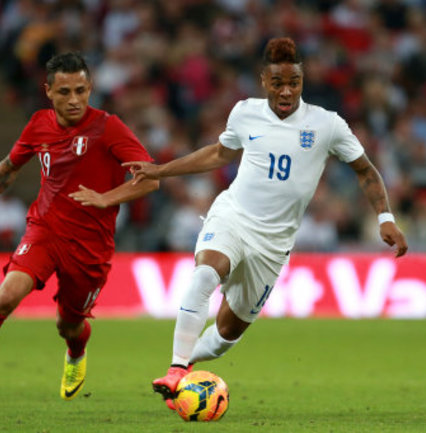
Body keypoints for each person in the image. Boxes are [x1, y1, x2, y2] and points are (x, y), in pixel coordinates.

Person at [123, 37, 408, 409]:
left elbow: (366, 171)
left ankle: (190, 359)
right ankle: (176, 369)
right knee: (206, 273)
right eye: (278, 83)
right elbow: (218, 153)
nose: (286, 91)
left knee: (227, 333)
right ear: (264, 81)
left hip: (273, 245)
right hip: (233, 217)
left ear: (302, 81)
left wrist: (385, 217)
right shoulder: (245, 113)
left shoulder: (328, 125)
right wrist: (161, 169)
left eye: (294, 83)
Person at [0, 52, 158, 407]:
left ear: (90, 87)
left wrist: (106, 198)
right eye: (64, 92)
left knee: (69, 325)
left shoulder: (108, 127)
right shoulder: (38, 125)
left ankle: (76, 354)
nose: (74, 99)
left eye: (81, 90)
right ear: (48, 91)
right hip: (44, 231)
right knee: (4, 297)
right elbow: (9, 166)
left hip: (90, 245)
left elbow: (150, 179)